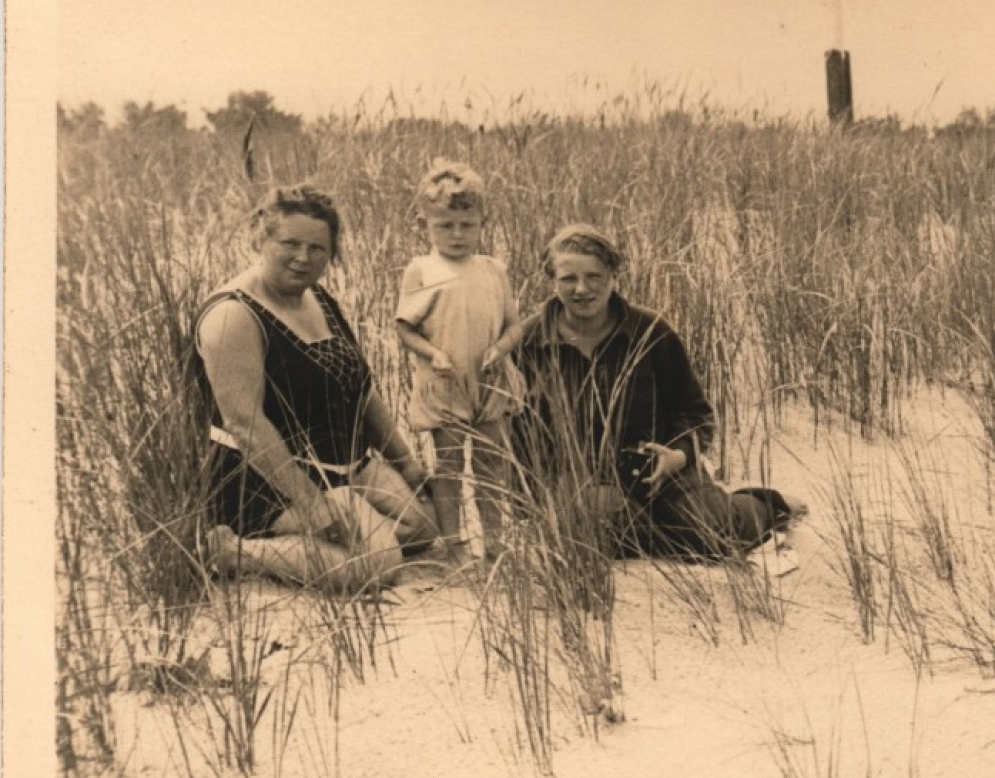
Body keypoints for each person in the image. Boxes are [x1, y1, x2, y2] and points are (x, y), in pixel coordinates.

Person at [195, 185, 438, 592]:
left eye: (317, 248)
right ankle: (234, 549)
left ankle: (336, 535)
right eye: (289, 243)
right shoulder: (233, 314)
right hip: (264, 481)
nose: (303, 258)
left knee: (423, 526)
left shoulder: (317, 296)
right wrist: (311, 505)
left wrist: (406, 461)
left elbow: (359, 389)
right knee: (378, 564)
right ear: (260, 237)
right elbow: (244, 424)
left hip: (343, 464)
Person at [511, 223, 795, 560]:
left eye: (595, 276)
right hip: (579, 481)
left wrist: (677, 456)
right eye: (568, 279)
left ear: (614, 276)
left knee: (714, 532)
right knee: (598, 525)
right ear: (550, 280)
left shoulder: (650, 331)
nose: (582, 289)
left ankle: (764, 504)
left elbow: (694, 413)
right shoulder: (526, 340)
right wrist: (534, 500)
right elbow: (516, 430)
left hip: (660, 470)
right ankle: (658, 531)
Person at [394, 160, 526, 566]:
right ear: (425, 225)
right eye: (445, 225)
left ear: (482, 222)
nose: (456, 235)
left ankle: (495, 542)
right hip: (445, 383)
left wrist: (500, 350)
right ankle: (453, 544)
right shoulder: (421, 270)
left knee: (492, 466)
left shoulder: (493, 270)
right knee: (449, 465)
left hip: (491, 382)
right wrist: (433, 354)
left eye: (467, 225)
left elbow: (514, 326)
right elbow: (404, 328)